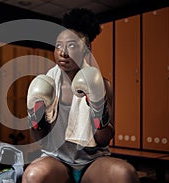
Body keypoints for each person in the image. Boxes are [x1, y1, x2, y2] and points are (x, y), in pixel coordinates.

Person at [22, 8, 140, 183]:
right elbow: (41, 140)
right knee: (33, 176)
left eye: (71, 45)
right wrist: (35, 120)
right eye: (58, 46)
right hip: (57, 159)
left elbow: (103, 139)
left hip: (93, 161)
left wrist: (98, 110)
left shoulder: (102, 85)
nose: (63, 52)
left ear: (85, 50)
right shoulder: (46, 85)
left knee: (125, 174)